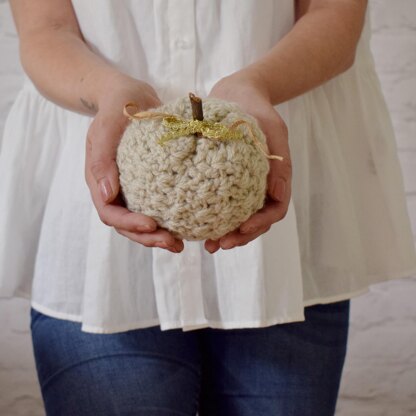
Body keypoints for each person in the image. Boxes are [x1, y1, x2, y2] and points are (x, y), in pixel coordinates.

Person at [1, 0, 415, 415]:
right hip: (98, 248)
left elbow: (333, 14)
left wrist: (257, 85)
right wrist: (110, 92)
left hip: (286, 239)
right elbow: (46, 28)